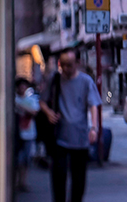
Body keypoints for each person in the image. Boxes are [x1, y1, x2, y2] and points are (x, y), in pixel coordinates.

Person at [39, 48, 101, 202]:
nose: (65, 68)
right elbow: (41, 101)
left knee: (78, 177)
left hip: (80, 136)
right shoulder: (54, 80)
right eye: (63, 64)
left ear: (78, 63)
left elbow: (94, 105)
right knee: (58, 176)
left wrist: (94, 127)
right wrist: (48, 113)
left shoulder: (86, 81)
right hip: (59, 135)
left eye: (70, 64)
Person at [15, 77, 40, 191]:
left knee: (25, 160)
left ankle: (22, 182)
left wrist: (21, 106)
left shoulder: (30, 99)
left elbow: (34, 111)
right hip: (17, 133)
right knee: (18, 159)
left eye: (24, 86)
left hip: (28, 133)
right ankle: (17, 181)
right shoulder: (14, 99)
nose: (22, 88)